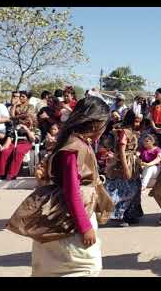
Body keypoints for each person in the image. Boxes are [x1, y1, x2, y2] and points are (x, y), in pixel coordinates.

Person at [6, 96, 114, 277]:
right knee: (81, 267)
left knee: (55, 266)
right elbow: (72, 191)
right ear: (95, 123)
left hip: (64, 212)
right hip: (70, 217)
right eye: (104, 124)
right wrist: (85, 226)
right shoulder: (74, 148)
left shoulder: (74, 143)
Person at [105, 109, 144, 227]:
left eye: (139, 122)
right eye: (136, 121)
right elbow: (122, 151)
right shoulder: (125, 132)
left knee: (135, 187)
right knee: (124, 190)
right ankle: (118, 216)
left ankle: (130, 214)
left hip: (132, 163)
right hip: (124, 163)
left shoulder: (132, 131)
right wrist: (126, 168)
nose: (138, 124)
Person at [0, 113, 40, 180]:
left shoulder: (36, 130)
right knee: (5, 152)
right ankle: (1, 174)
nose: (26, 122)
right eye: (24, 120)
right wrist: (4, 147)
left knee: (18, 151)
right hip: (14, 142)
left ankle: (12, 174)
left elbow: (34, 139)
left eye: (28, 121)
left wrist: (27, 130)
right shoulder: (16, 128)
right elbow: (10, 138)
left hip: (27, 143)